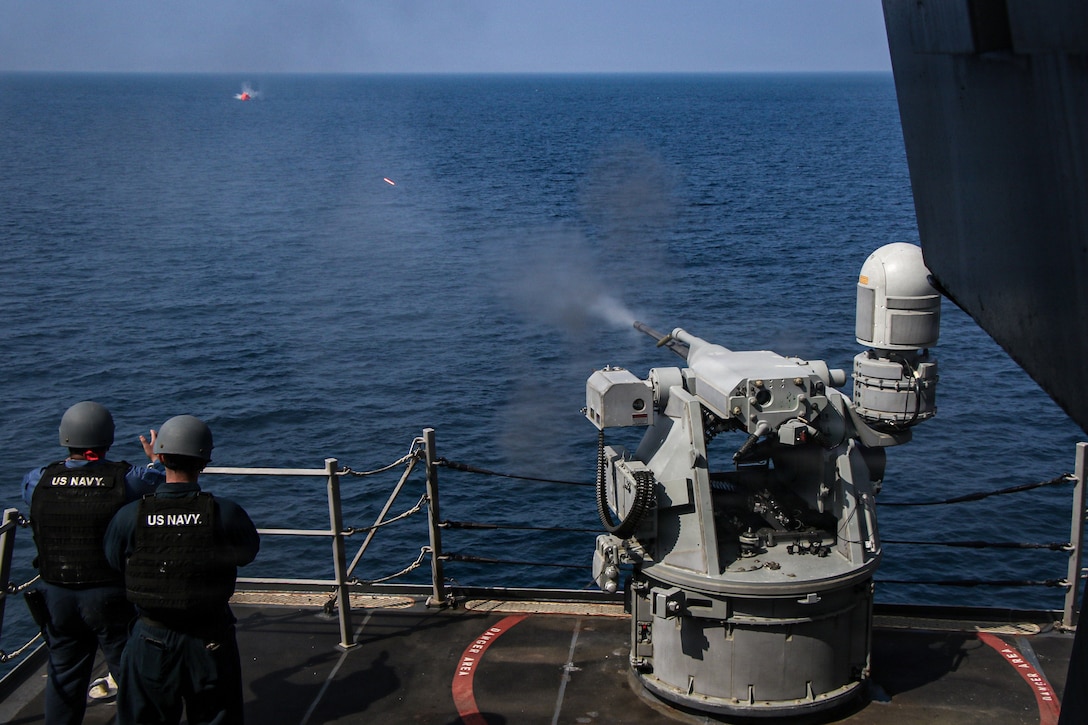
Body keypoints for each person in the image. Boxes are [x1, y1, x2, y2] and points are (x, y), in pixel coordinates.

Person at [104, 415, 260, 725]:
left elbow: (113, 560)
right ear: (205, 460)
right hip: (210, 640)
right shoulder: (225, 513)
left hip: (151, 638)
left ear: (160, 457)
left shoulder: (130, 516)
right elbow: (247, 554)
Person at [22, 400, 165, 725]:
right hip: (108, 594)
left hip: (56, 594)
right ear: (108, 438)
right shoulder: (124, 481)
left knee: (63, 676)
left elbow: (34, 489)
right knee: (129, 674)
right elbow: (155, 481)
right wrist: (155, 461)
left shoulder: (38, 481)